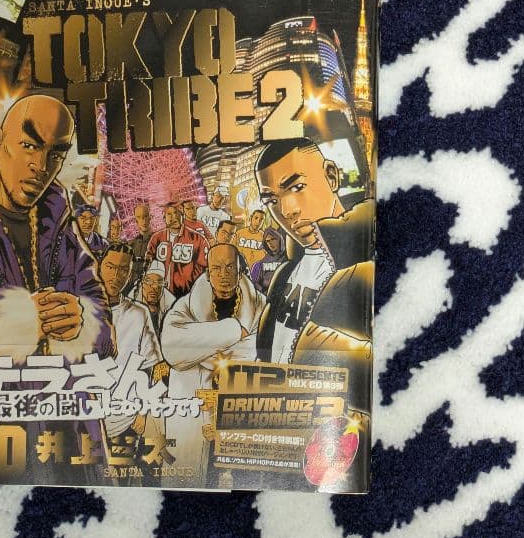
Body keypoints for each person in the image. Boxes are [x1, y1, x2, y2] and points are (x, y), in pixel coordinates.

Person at [0, 94, 115, 478]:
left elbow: (104, 328)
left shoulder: (57, 216)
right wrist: (13, 320)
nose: (41, 167)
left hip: (71, 439)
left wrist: (82, 320)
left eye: (55, 153)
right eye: (29, 145)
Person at [254, 137, 374, 412]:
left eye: (297, 187)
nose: (288, 210)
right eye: (272, 200)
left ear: (331, 176)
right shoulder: (285, 272)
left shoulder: (364, 261)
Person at [160, 243, 265, 485]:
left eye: (229, 267)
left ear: (240, 271)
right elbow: (173, 350)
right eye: (216, 268)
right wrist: (234, 331)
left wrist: (199, 347)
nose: (223, 274)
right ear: (208, 273)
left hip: (237, 400)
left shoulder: (260, 305)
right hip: (192, 400)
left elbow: (255, 351)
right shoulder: (185, 306)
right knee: (186, 475)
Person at [98, 243, 164, 481]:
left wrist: (142, 412)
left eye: (123, 270)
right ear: (99, 265)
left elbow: (150, 367)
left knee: (120, 481)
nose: (116, 275)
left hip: (124, 419)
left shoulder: (138, 313)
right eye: (110, 266)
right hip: (85, 419)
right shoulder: (80, 308)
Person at [145, 201, 208, 297]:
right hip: (159, 293)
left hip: (185, 294)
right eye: (169, 214)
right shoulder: (156, 238)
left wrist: (189, 283)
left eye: (177, 213)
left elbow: (204, 267)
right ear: (164, 218)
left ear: (183, 215)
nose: (174, 217)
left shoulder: (198, 239)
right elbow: (148, 263)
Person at [130, 258, 175, 337]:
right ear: (141, 282)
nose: (154, 287)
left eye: (159, 282)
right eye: (149, 281)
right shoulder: (131, 302)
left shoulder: (172, 305)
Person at [249, 227, 287, 294]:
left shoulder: (287, 258)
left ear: (279, 239)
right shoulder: (262, 262)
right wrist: (263, 292)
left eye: (273, 239)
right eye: (268, 241)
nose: (270, 243)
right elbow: (254, 283)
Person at [129, 201, 153, 284]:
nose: (143, 220)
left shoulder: (158, 241)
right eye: (139, 217)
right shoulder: (131, 245)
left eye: (146, 216)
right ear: (135, 220)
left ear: (150, 217)